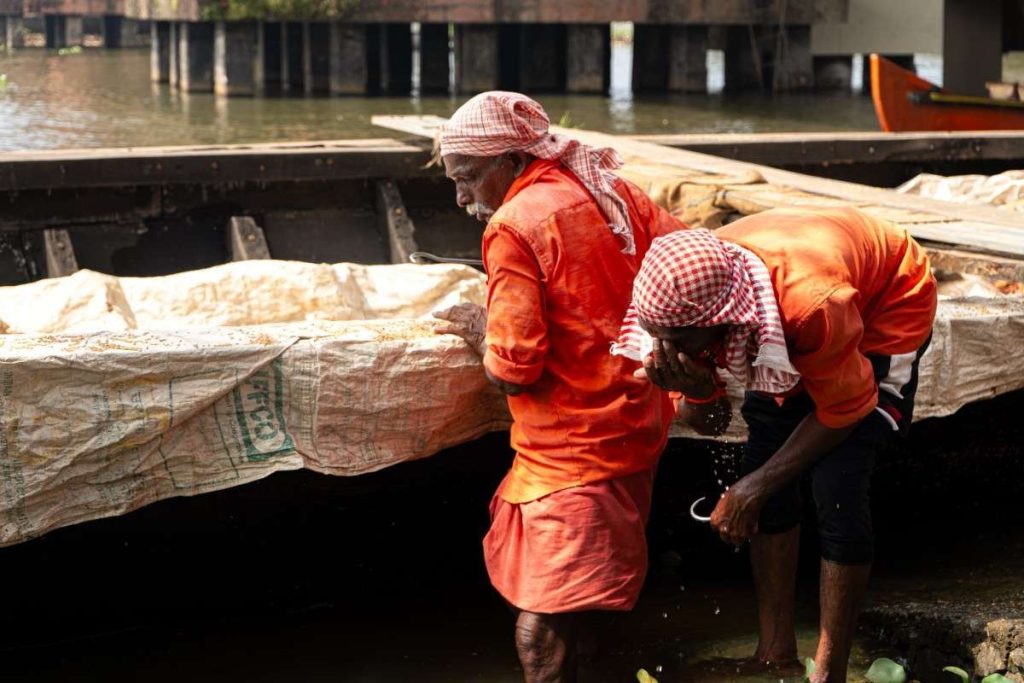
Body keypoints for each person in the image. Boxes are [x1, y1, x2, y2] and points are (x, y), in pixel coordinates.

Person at [612, 206, 937, 683]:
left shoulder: (812, 306)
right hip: (797, 280)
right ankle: (776, 652)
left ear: (722, 321)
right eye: (659, 340)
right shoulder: (679, 317)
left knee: (837, 480)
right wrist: (698, 389)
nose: (669, 351)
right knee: (764, 448)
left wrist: (751, 490)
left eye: (679, 341)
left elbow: (846, 408)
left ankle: (829, 673)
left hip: (886, 298)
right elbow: (714, 421)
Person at [431, 91, 686, 682]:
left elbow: (513, 371)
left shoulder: (514, 225)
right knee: (586, 603)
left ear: (512, 163)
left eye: (468, 179)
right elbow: (686, 257)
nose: (461, 195)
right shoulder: (613, 190)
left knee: (542, 623)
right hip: (636, 426)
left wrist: (480, 326)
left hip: (573, 447)